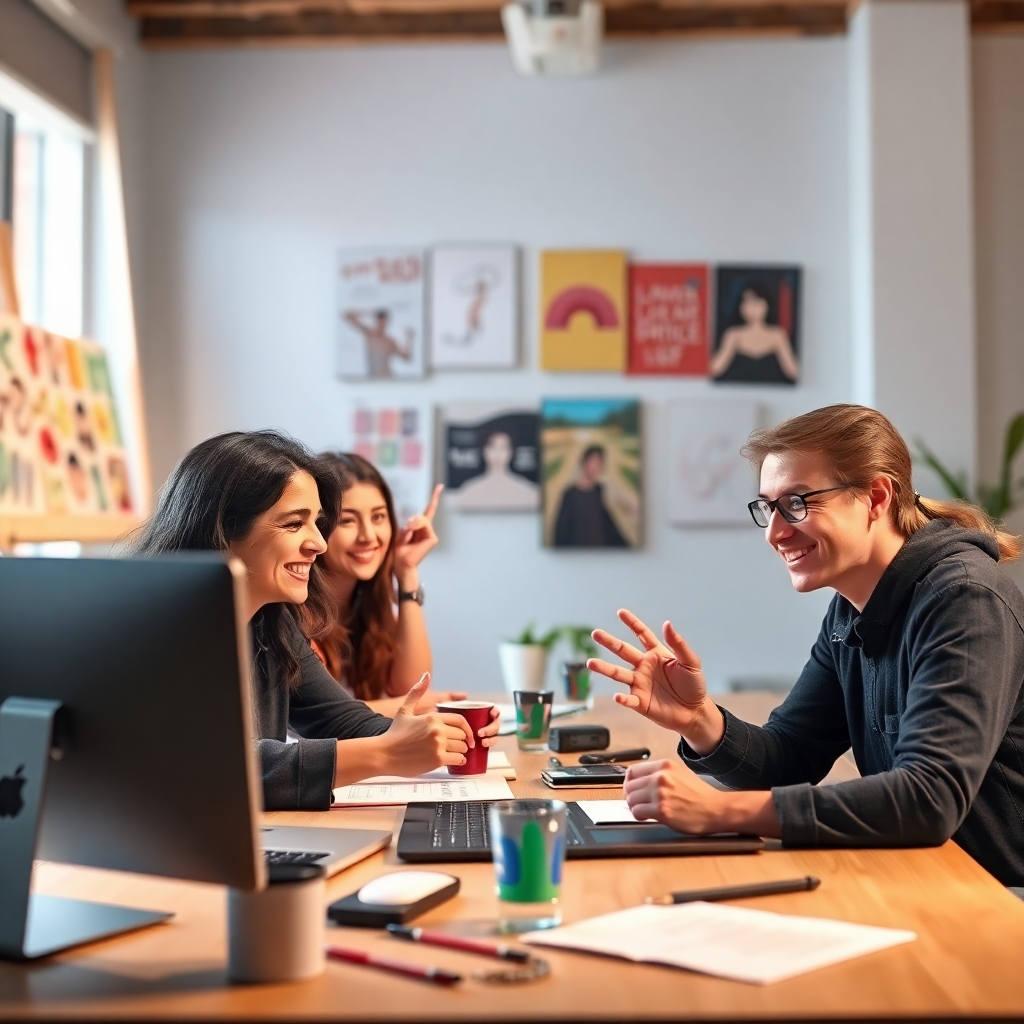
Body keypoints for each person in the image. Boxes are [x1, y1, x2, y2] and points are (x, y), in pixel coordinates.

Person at [588, 404, 1024, 887]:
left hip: (999, 896)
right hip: (924, 876)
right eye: (768, 508)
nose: (775, 533)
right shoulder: (852, 608)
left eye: (797, 503)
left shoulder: (965, 600)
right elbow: (792, 758)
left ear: (876, 497)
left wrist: (718, 809)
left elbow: (929, 799)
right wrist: (701, 721)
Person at [132, 430, 496, 811]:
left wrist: (443, 734)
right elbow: (217, 767)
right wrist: (384, 754)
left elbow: (340, 720)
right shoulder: (160, 631)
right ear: (224, 530)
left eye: (316, 523)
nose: (318, 544)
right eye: (293, 524)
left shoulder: (271, 622)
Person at [309, 452, 463, 715]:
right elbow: (318, 720)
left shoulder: (367, 607)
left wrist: (407, 572)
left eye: (378, 517)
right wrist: (414, 706)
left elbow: (410, 688)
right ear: (317, 528)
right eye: (348, 520)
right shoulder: (294, 619)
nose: (368, 536)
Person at [710, 284, 799, 383]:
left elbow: (793, 371)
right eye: (747, 303)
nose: (751, 308)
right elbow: (715, 369)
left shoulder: (777, 335)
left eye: (757, 303)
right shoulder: (733, 334)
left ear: (767, 304)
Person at [553, 445, 628, 548]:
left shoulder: (599, 490)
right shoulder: (570, 494)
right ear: (584, 462)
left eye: (600, 462)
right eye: (595, 461)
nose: (598, 466)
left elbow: (608, 525)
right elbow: (562, 531)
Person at [343, 308, 413, 378]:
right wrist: (371, 312)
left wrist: (409, 339)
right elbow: (347, 315)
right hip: (373, 377)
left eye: (385, 322)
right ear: (377, 321)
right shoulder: (369, 334)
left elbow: (406, 358)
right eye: (381, 321)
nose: (383, 325)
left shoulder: (390, 341)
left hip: (388, 377)